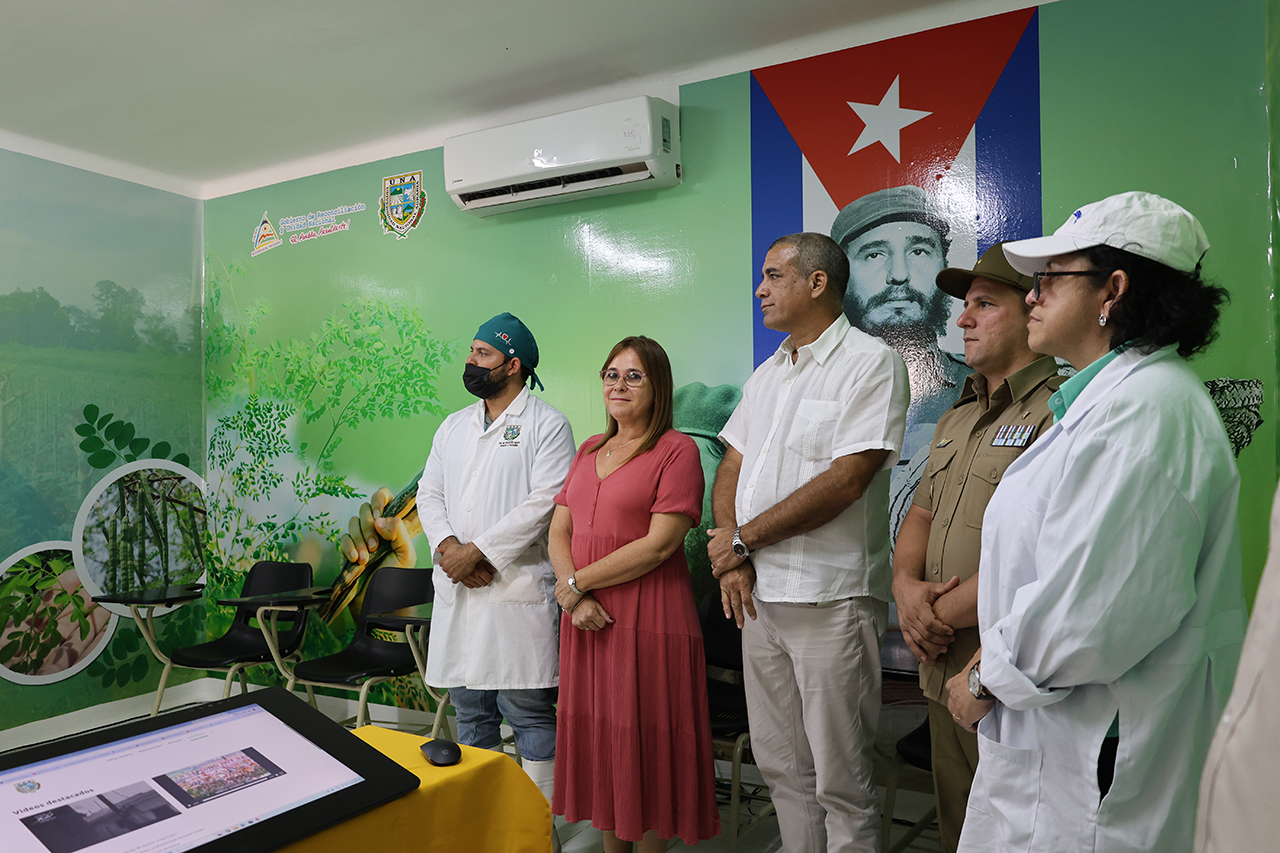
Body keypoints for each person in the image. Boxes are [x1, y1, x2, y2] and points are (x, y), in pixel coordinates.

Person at [945, 192, 1247, 852]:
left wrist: (981, 677)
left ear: (1112, 290)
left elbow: (1088, 615)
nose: (1032, 295)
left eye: (1051, 278)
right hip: (1063, 730)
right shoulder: (1109, 403)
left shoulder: (1145, 414)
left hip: (1098, 751)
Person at [707, 232, 909, 852]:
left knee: (843, 783)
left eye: (773, 276)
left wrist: (742, 542)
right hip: (760, 599)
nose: (759, 289)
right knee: (782, 771)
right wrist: (731, 556)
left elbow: (847, 481)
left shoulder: (871, 364)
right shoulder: (769, 373)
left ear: (817, 283)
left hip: (830, 602)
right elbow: (731, 467)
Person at [341, 312, 575, 807]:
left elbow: (546, 502)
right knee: (470, 714)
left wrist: (480, 553)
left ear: (512, 365)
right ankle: (484, 820)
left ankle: (537, 826)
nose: (470, 361)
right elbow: (430, 494)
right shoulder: (453, 426)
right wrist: (449, 549)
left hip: (515, 590)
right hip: (459, 587)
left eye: (482, 353)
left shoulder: (548, 425)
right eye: (471, 351)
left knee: (528, 711)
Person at [891, 243, 1062, 853]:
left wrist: (928, 614)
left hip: (1006, 665)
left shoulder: (1060, 412)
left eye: (984, 304)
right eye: (964, 305)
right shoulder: (956, 416)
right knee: (958, 828)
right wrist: (904, 588)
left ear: (1032, 310)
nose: (963, 319)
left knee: (1020, 832)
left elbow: (1052, 556)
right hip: (941, 664)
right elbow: (922, 511)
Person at [549, 335, 720, 852]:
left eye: (634, 375)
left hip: (649, 624)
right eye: (611, 374)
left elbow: (658, 546)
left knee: (643, 752)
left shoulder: (678, 450)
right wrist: (575, 598)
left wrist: (578, 584)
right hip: (587, 620)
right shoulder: (588, 450)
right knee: (604, 749)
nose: (618, 385)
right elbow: (559, 531)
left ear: (658, 386)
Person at [831, 184, 969, 462]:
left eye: (918, 251)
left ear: (943, 263)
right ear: (841, 276)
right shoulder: (811, 383)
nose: (899, 274)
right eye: (874, 254)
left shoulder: (982, 385)